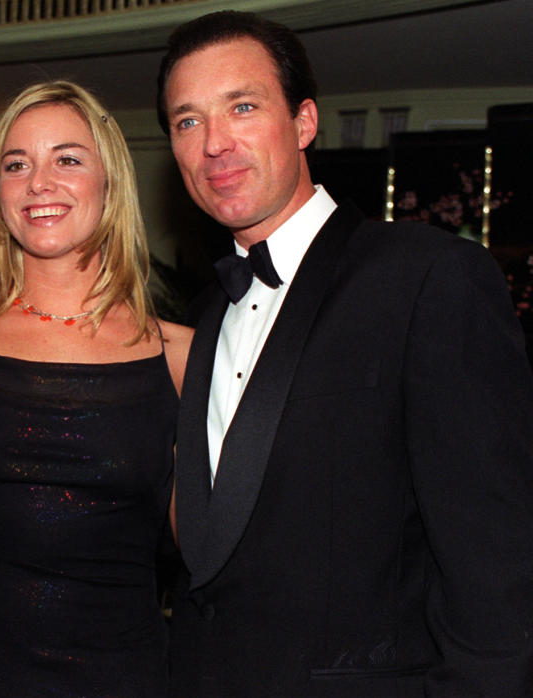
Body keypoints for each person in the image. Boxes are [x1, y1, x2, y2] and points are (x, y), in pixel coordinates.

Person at [156, 10, 533, 696]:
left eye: (242, 106)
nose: (214, 143)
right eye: (187, 121)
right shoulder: (207, 312)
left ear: (304, 122)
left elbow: (496, 565)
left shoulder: (428, 279)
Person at [0, 80, 192, 696]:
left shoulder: (179, 356)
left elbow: (209, 548)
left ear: (109, 182)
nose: (40, 182)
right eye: (17, 165)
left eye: (67, 158)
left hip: (120, 674)